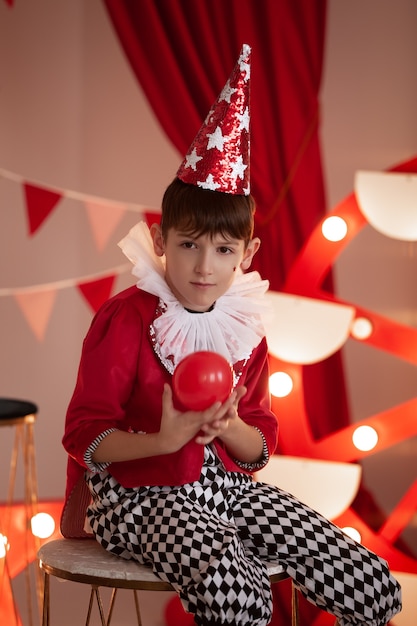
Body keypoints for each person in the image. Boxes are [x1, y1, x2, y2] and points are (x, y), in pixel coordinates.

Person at [62, 45, 401, 626]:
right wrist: (164, 440)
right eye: (189, 244)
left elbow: (260, 446)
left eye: (222, 250)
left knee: (368, 584)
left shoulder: (243, 327)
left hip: (228, 493)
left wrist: (231, 428)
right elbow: (84, 436)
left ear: (247, 254)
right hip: (137, 496)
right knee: (235, 591)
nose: (203, 267)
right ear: (161, 240)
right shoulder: (127, 318)